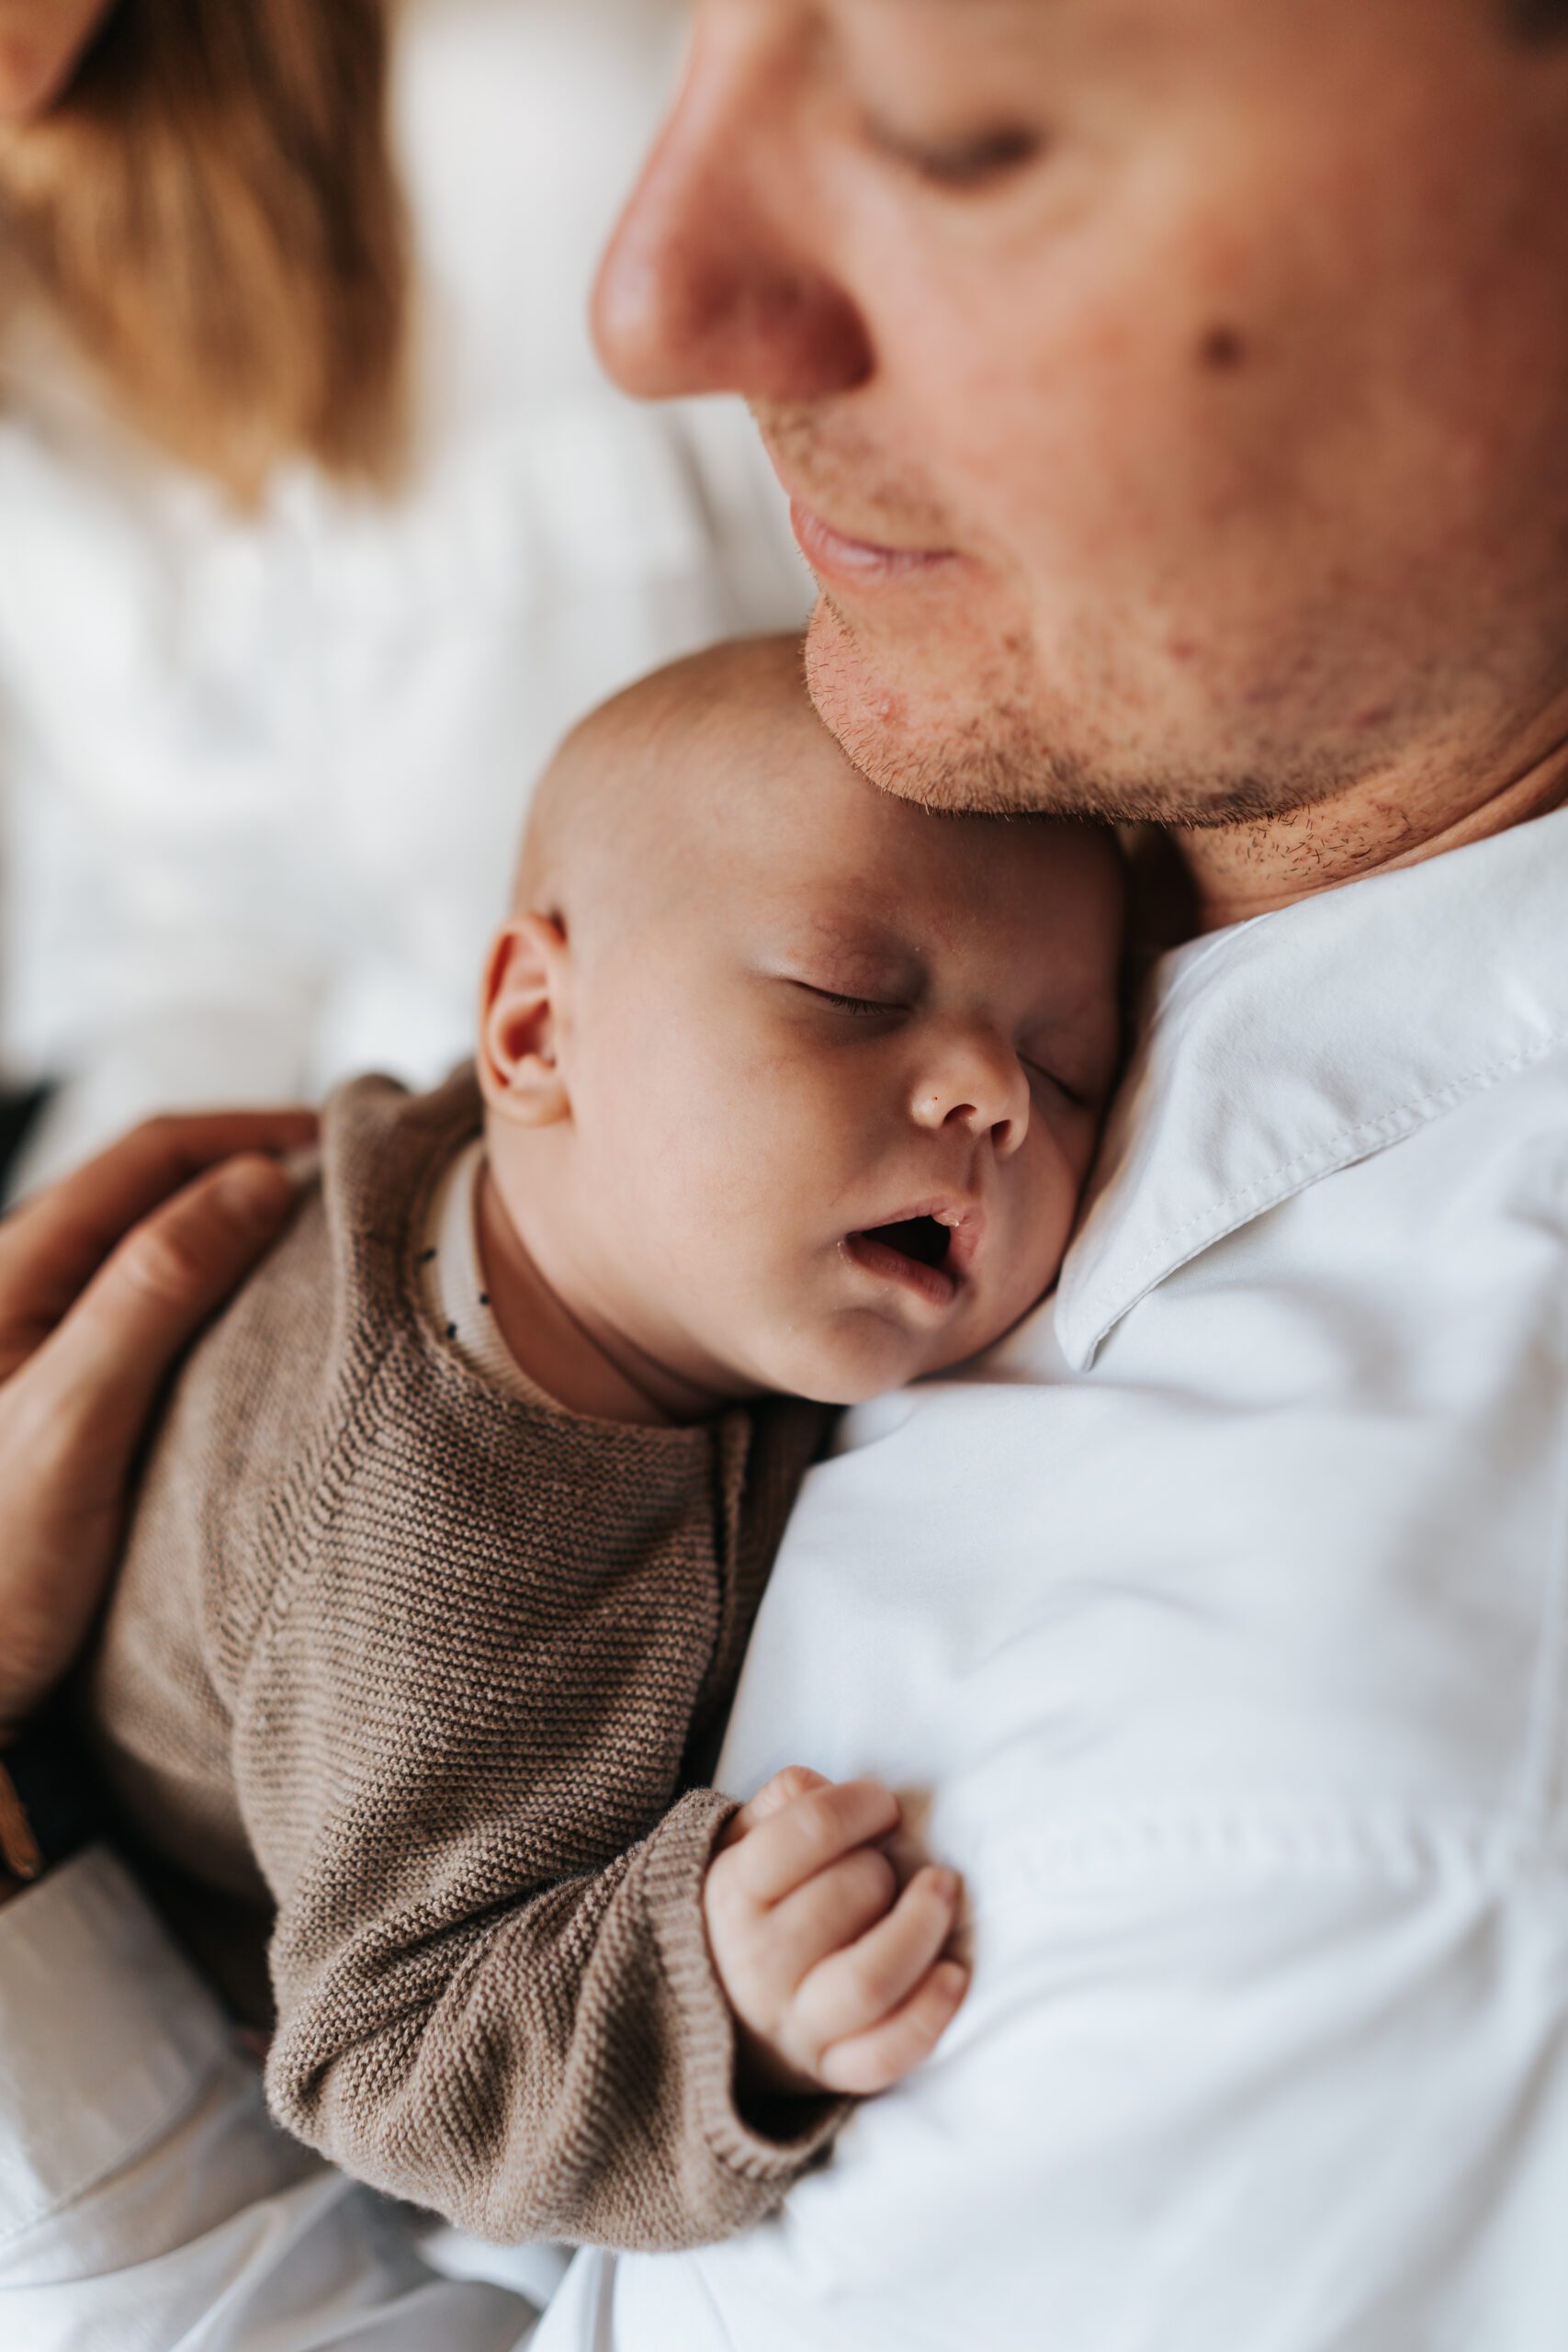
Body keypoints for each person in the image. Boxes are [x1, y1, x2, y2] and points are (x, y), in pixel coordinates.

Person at [5, 0, 1568, 2345]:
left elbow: (397, 2066)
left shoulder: (1311, 1805)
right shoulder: (1087, 806)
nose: (643, 302)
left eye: (954, 136)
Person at [84, 635, 1120, 2248]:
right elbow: (379, 2056)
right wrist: (706, 1996)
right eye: (856, 994)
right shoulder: (424, 1561)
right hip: (184, 1936)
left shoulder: (616, 1224)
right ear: (533, 1032)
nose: (992, 1093)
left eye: (1071, 1071)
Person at [0, 0, 807, 1202]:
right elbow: (211, 921)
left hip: (742, 1170)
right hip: (389, 1196)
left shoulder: (568, 108)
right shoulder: (44, 309)